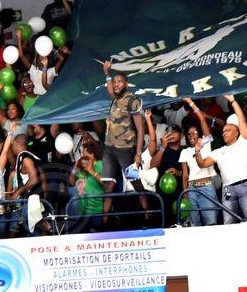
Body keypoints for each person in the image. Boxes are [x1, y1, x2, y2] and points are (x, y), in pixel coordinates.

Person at [195, 94, 247, 224]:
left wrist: (233, 101)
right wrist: (197, 151)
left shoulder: (243, 142)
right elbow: (202, 164)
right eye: (223, 131)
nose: (224, 132)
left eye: (228, 130)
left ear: (237, 132)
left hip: (244, 185)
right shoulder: (219, 151)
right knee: (228, 223)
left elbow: (242, 120)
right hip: (227, 188)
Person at [101, 61, 144, 208]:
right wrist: (107, 73)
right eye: (114, 82)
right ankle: (105, 220)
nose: (116, 84)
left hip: (125, 150)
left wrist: (138, 154)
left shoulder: (132, 100)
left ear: (126, 83)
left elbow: (141, 129)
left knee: (135, 182)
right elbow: (110, 91)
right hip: (109, 148)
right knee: (108, 186)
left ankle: (149, 214)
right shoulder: (115, 99)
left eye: (119, 81)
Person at [178, 97, 218, 226]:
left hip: (207, 187)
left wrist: (190, 102)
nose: (191, 135)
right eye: (189, 134)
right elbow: (185, 175)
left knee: (210, 223)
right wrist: (185, 194)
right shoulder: (185, 152)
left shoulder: (205, 144)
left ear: (199, 134)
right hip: (191, 190)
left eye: (194, 132)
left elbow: (202, 119)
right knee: (194, 225)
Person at [145, 110, 182, 226]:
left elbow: (188, 173)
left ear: (181, 135)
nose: (171, 134)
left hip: (179, 193)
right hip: (162, 195)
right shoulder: (162, 150)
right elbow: (153, 165)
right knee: (163, 223)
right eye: (169, 132)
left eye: (175, 132)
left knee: (179, 223)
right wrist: (162, 147)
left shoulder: (185, 151)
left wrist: (178, 172)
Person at [69, 141, 104, 232]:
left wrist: (92, 171)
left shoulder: (101, 165)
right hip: (82, 211)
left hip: (97, 211)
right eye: (82, 154)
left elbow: (106, 184)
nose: (82, 157)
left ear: (92, 155)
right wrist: (74, 171)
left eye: (85, 154)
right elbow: (71, 183)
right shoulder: (81, 166)